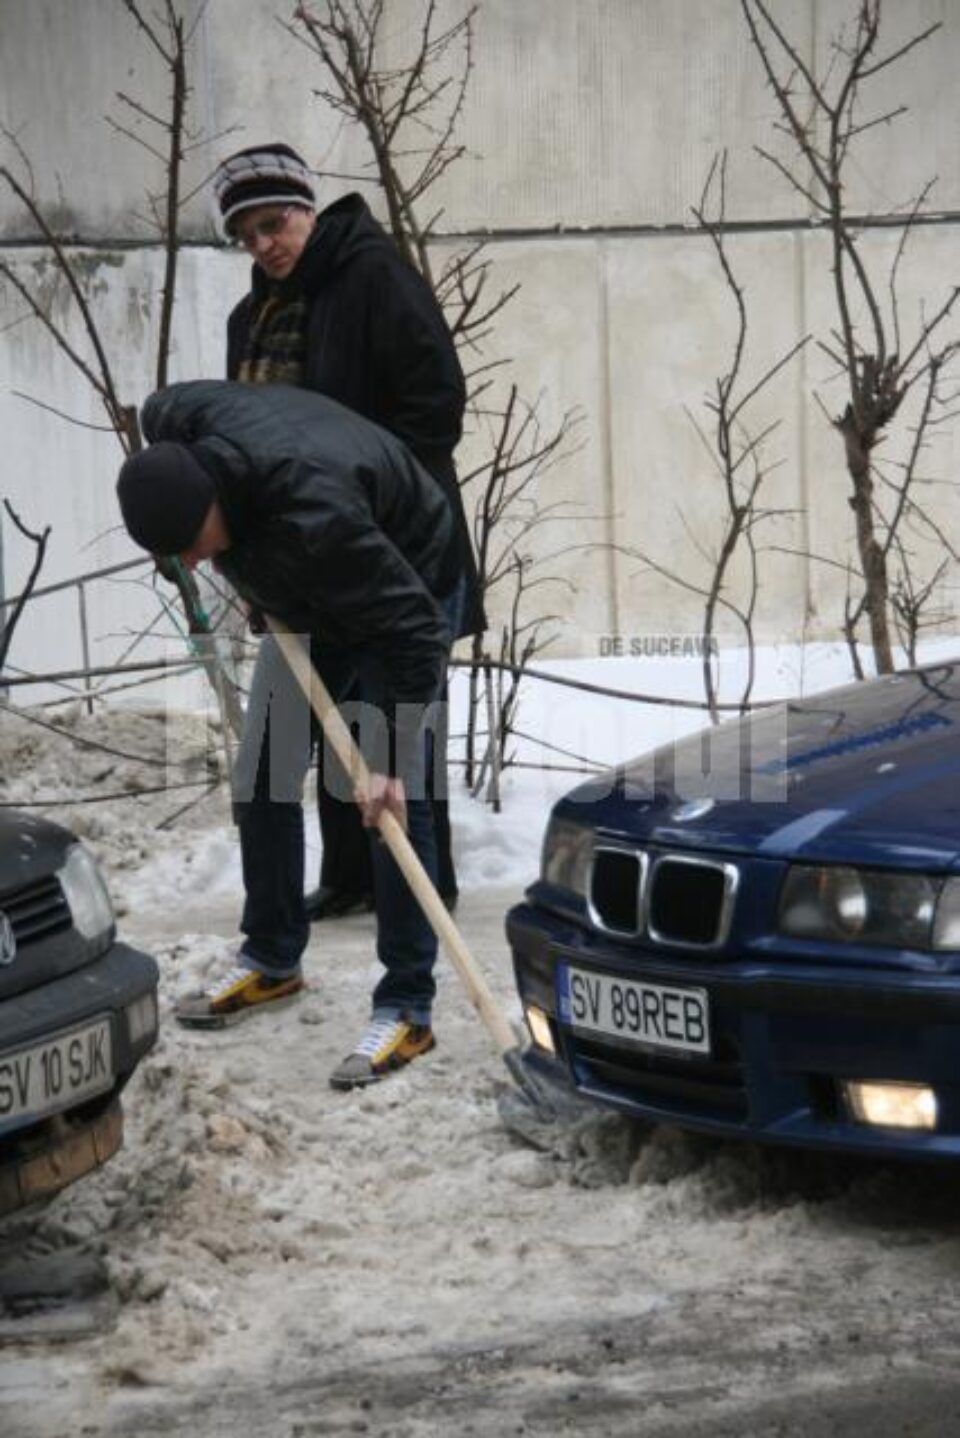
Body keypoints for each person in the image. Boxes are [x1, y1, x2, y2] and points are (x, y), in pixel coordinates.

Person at [116, 379, 460, 1088]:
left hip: (405, 587)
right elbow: (169, 422)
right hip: (304, 583)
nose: (191, 564)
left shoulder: (317, 516)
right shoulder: (174, 422)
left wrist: (389, 759)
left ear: (213, 503)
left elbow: (415, 630)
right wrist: (260, 579)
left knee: (392, 803)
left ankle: (407, 1007)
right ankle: (273, 959)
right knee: (263, 772)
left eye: (192, 546)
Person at [211, 141, 484, 919]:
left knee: (397, 733)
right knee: (314, 724)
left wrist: (375, 506)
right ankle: (351, 879)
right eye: (247, 235)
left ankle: (420, 901)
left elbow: (436, 404)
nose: (264, 244)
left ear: (307, 208)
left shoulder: (375, 278)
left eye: (274, 223)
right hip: (302, 565)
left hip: (395, 551)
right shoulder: (252, 318)